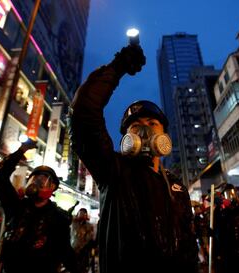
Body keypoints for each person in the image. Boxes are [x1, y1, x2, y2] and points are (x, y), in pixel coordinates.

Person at [68, 44, 198, 273]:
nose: (144, 131)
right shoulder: (113, 170)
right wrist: (116, 68)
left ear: (164, 136)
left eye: (151, 124)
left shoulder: (177, 186)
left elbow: (187, 245)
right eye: (135, 126)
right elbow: (83, 116)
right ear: (128, 138)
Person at [0, 142, 78, 273]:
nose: (37, 182)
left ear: (52, 187)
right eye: (34, 178)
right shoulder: (16, 207)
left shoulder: (59, 217)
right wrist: (21, 150)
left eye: (43, 180)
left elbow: (65, 252)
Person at [71, 208, 96, 273]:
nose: (81, 215)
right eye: (80, 213)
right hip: (73, 247)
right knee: (73, 266)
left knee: (82, 267)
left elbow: (88, 238)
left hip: (83, 250)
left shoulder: (89, 226)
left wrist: (81, 247)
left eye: (83, 214)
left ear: (86, 215)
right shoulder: (74, 222)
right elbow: (69, 217)